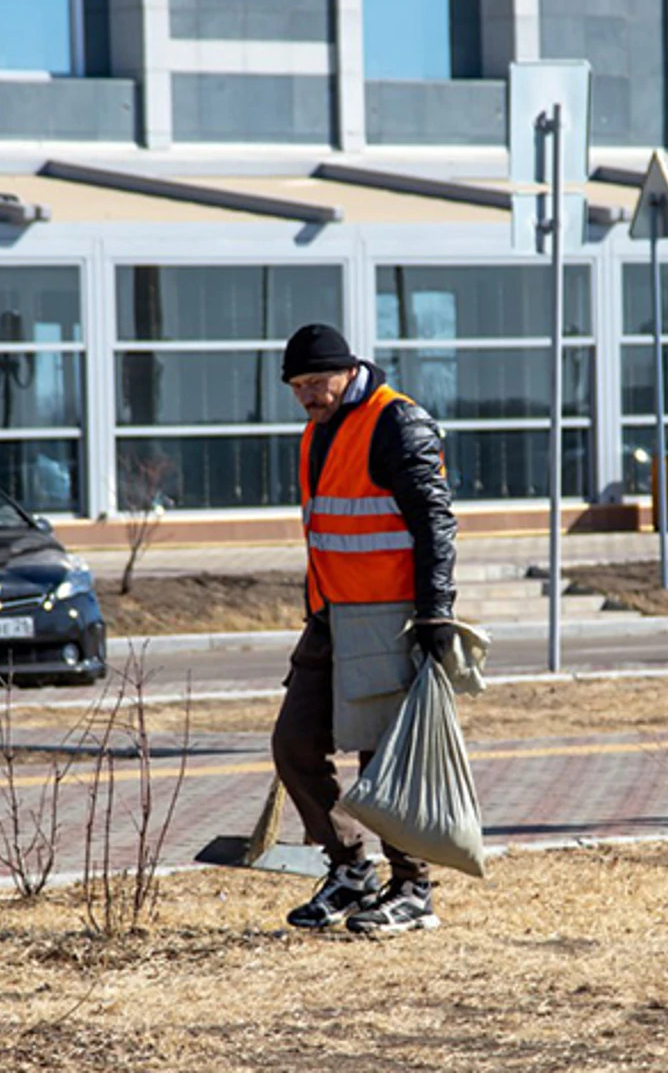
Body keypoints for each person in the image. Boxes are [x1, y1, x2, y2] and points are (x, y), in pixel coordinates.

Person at [271, 322, 457, 936]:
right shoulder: (316, 432)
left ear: (349, 371)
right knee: (295, 743)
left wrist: (435, 611)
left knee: (384, 761)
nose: (309, 395)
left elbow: (435, 521)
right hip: (330, 617)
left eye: (318, 382)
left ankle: (413, 888)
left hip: (390, 616)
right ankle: (350, 868)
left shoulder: (396, 421)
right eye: (298, 386)